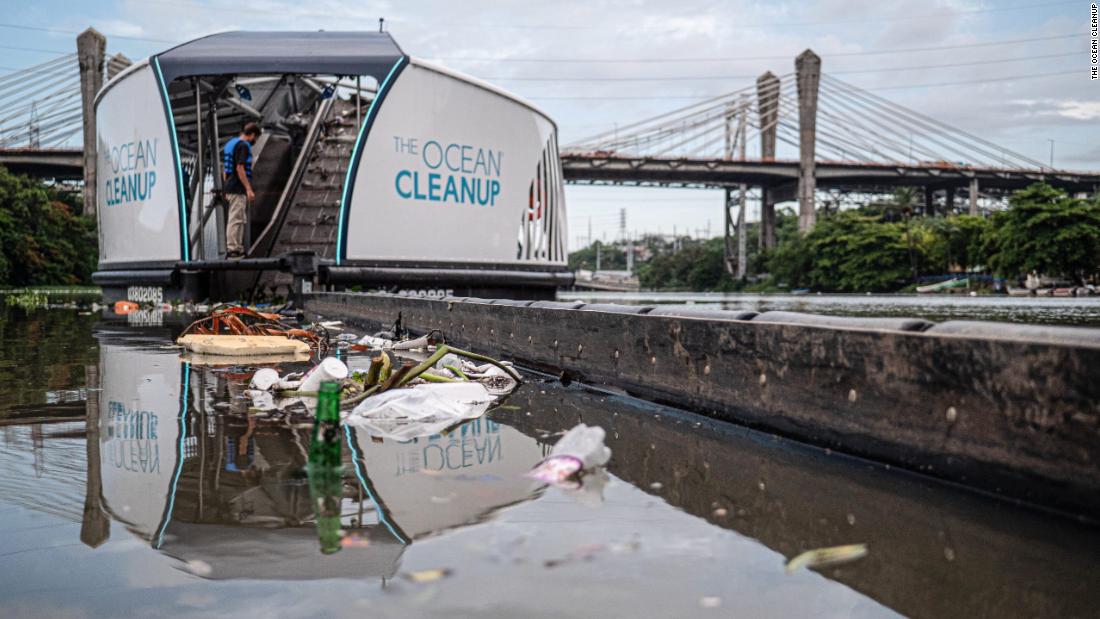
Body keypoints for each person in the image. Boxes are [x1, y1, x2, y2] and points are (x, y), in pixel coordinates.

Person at [222, 122, 262, 258]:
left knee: (239, 218)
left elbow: (225, 169)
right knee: (236, 219)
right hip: (237, 188)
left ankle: (237, 247)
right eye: (256, 138)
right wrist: (248, 189)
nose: (255, 141)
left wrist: (225, 186)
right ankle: (233, 248)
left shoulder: (231, 143)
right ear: (252, 135)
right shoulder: (243, 146)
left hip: (230, 186)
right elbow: (240, 168)